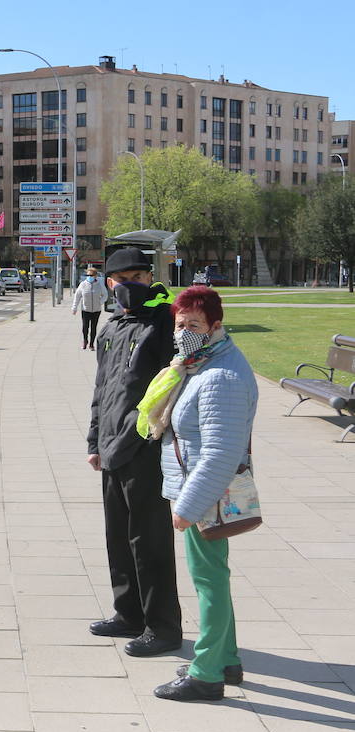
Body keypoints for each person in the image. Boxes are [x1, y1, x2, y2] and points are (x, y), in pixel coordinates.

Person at [144, 286, 258, 701]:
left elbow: (220, 451)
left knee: (209, 581)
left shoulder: (220, 376)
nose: (185, 332)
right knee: (215, 576)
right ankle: (225, 658)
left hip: (205, 491)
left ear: (215, 326)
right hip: (199, 486)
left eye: (194, 324)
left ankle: (206, 673)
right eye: (180, 324)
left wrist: (188, 507)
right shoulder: (201, 362)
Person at [85, 247, 183, 656]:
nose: (131, 285)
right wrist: (94, 441)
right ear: (110, 283)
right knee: (118, 537)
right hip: (110, 447)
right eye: (123, 279)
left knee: (150, 540)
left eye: (138, 277)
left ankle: (162, 627)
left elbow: (177, 383)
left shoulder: (165, 323)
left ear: (150, 277)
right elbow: (102, 389)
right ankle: (128, 614)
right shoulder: (111, 327)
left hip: (146, 445)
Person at [71, 266, 109, 350]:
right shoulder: (83, 284)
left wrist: (100, 302)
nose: (89, 277)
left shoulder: (100, 284)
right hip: (85, 309)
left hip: (96, 310)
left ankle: (91, 344)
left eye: (91, 275)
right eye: (88, 275)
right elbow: (77, 296)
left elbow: (105, 295)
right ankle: (85, 341)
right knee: (85, 327)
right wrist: (74, 308)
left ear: (95, 276)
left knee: (93, 327)